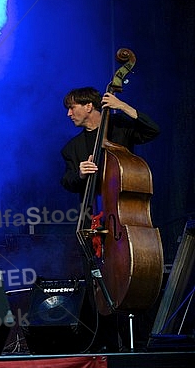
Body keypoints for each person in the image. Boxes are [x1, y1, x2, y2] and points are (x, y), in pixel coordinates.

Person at [60, 87, 160, 352]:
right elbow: (67, 181)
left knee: (131, 278)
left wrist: (123, 106)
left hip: (123, 223)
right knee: (96, 285)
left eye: (73, 107)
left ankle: (137, 344)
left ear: (89, 106)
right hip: (94, 223)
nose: (69, 113)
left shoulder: (120, 129)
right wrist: (79, 174)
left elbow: (153, 131)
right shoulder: (72, 148)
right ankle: (104, 344)